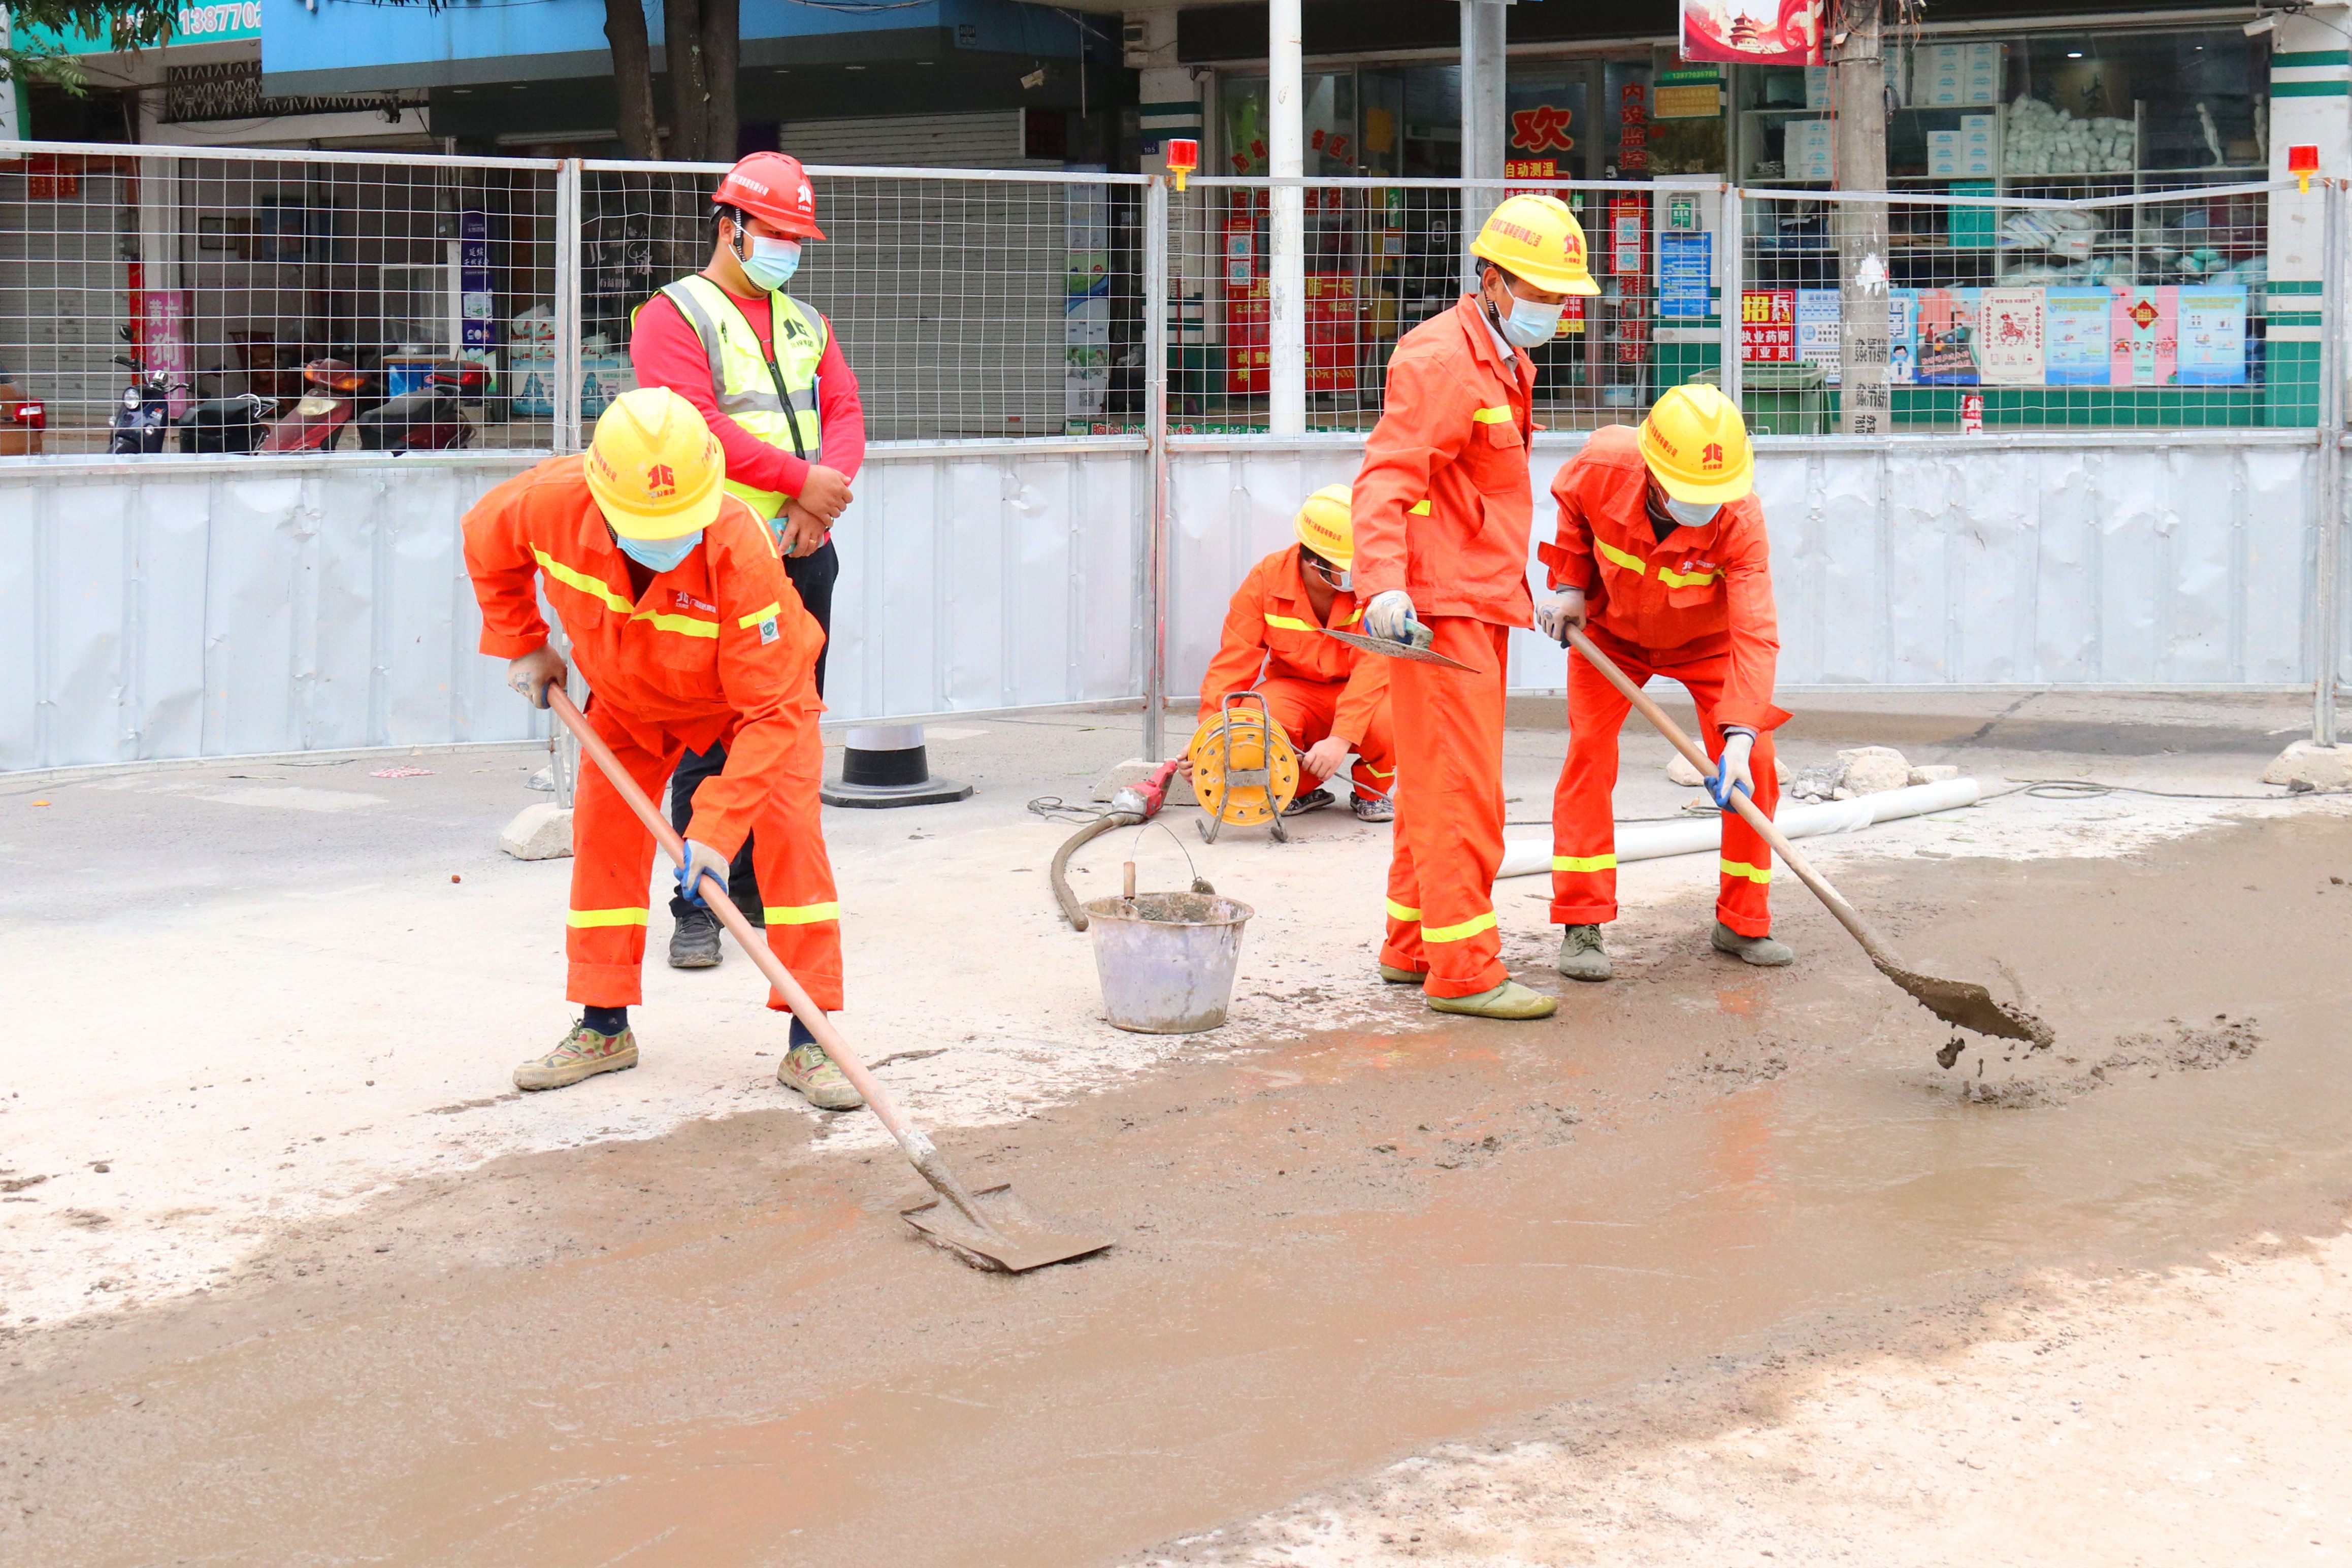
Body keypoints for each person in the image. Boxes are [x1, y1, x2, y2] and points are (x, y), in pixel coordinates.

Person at [463, 387, 861, 1111]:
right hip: (628, 698)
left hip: (755, 706)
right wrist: (526, 644)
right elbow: (486, 542)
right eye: (650, 525)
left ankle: (813, 1041)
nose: (672, 536)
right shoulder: (548, 503)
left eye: (683, 521)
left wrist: (712, 832)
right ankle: (603, 1025)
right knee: (605, 839)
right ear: (600, 494)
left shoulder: (738, 545)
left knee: (789, 846)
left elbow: (773, 710)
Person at [1349, 193, 1598, 1021]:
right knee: (1460, 789)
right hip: (1437, 606)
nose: (1553, 311)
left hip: (1475, 597)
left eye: (1563, 298)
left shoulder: (1504, 359)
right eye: (1541, 292)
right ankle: (1464, 971)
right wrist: (1381, 583)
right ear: (1489, 279)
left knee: (1430, 780)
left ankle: (1411, 943)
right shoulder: (1440, 360)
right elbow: (1387, 476)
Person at [630, 149, 866, 971]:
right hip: (718, 559)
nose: (789, 249)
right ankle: (700, 899)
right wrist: (804, 483)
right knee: (711, 731)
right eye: (776, 232)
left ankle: (763, 886)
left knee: (788, 724)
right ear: (728, 227)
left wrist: (817, 498)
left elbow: (842, 408)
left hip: (804, 551)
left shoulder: (805, 321)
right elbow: (696, 427)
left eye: (798, 236)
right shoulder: (672, 315)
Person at [1534, 381, 1792, 983]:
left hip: (1708, 644)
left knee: (1756, 771)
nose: (1707, 505)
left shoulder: (1741, 517)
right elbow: (1570, 511)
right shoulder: (1602, 464)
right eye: (1691, 495)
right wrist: (1570, 588)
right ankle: (1582, 921)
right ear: (1652, 472)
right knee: (1588, 761)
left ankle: (1742, 921)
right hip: (1612, 637)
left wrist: (1740, 737)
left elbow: (1755, 631)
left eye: (1716, 495)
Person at [1196, 484, 1396, 823]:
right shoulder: (1266, 581)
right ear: (1315, 562)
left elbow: (1373, 669)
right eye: (1350, 564)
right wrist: (1209, 739)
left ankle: (1371, 793)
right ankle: (1295, 790)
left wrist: (1340, 738)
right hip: (1295, 688)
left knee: (1389, 719)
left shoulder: (1373, 589)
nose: (1360, 570)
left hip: (1359, 689)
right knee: (1250, 719)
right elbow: (1233, 664)